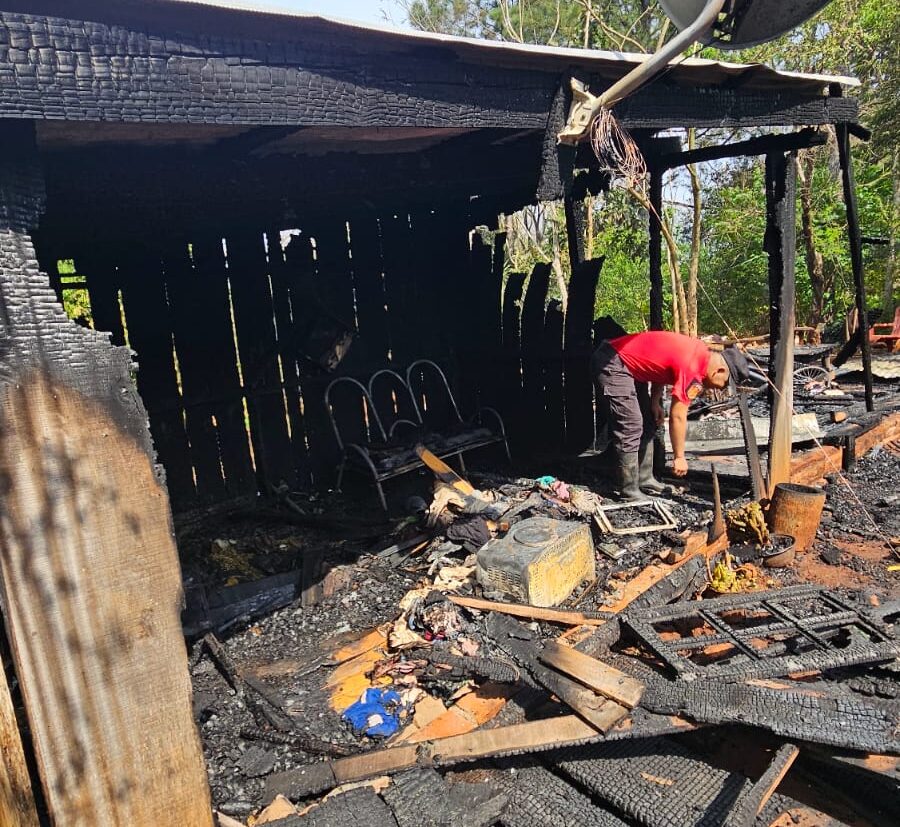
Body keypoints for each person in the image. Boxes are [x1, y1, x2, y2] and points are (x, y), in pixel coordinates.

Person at [591, 331, 748, 500]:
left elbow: (662, 365)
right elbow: (678, 416)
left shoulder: (700, 353)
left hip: (627, 364)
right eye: (723, 384)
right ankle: (629, 490)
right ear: (719, 371)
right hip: (613, 361)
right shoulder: (694, 368)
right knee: (631, 425)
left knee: (648, 420)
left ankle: (644, 479)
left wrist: (655, 400)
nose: (719, 389)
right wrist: (679, 457)